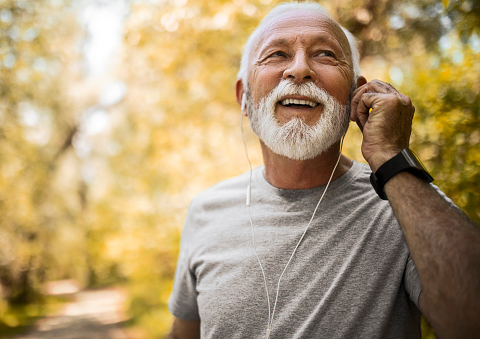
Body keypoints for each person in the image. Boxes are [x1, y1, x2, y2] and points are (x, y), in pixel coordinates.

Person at [167, 2, 480, 338]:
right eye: (276, 54)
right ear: (244, 97)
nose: (299, 70)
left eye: (325, 54)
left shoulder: (404, 205)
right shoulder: (205, 211)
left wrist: (391, 156)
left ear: (355, 95)